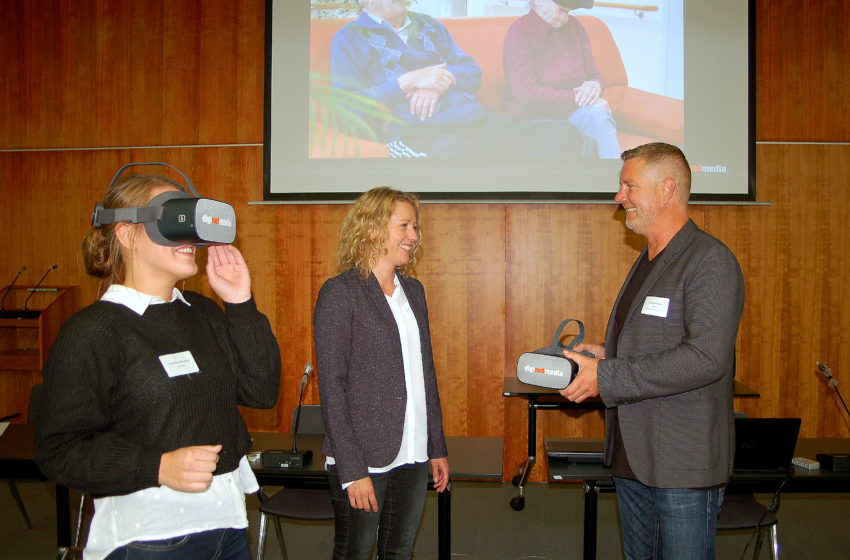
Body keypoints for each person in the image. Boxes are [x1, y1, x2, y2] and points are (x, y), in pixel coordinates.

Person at [35, 173, 281, 560]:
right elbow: (60, 450)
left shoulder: (200, 312)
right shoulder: (94, 331)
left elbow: (262, 391)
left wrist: (240, 303)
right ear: (126, 233)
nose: (190, 238)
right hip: (149, 537)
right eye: (173, 220)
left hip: (228, 524)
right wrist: (158, 466)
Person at [560, 143, 744, 559]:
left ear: (666, 189)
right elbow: (660, 342)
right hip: (634, 458)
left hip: (680, 464)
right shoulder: (648, 259)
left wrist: (606, 377)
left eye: (628, 185)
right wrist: (607, 354)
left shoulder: (708, 260)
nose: (618, 196)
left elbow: (706, 357)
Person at [313, 187, 449, 559]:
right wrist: (353, 469)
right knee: (354, 552)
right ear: (372, 229)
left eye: (415, 227)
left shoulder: (414, 292)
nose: (413, 236)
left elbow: (425, 375)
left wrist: (435, 446)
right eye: (403, 226)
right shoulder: (340, 293)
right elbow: (332, 388)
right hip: (363, 455)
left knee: (399, 550)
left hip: (414, 451)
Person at [330, 0, 582, 158]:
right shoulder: (349, 38)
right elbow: (349, 106)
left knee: (562, 134)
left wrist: (441, 81)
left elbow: (471, 71)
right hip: (417, 132)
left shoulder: (430, 25)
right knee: (454, 153)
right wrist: (409, 81)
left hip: (473, 120)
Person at [502, 0, 621, 158]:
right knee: (589, 118)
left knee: (597, 116)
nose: (566, 18)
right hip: (533, 120)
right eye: (562, 10)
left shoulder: (575, 27)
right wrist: (581, 99)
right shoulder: (519, 32)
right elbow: (528, 95)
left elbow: (595, 75)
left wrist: (595, 86)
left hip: (573, 115)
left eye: (568, 11)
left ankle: (616, 181)